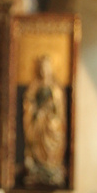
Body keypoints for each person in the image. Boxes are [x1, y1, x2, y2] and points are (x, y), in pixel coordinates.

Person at [23, 54, 66, 184]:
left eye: (46, 67)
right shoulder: (34, 86)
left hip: (51, 121)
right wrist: (36, 110)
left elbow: (59, 109)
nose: (43, 70)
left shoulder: (55, 87)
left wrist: (50, 110)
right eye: (41, 67)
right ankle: (38, 163)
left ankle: (51, 164)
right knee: (38, 128)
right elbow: (29, 103)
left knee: (53, 127)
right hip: (39, 121)